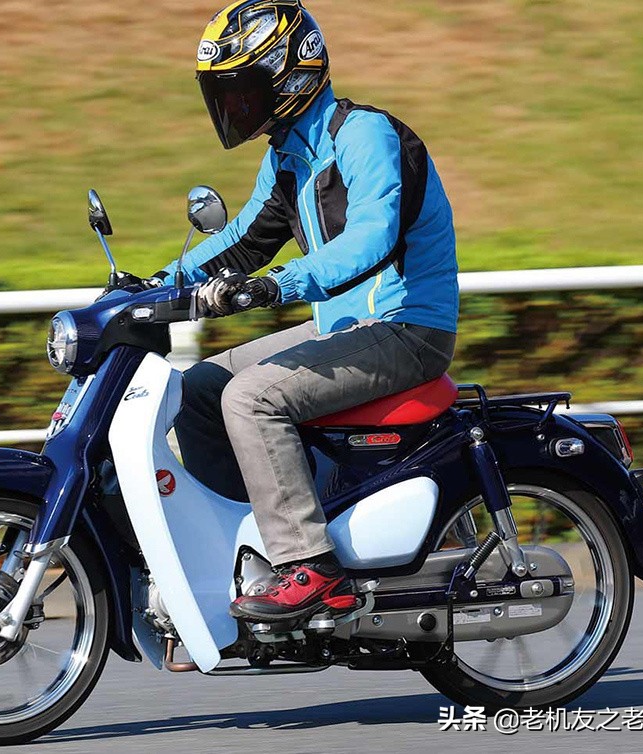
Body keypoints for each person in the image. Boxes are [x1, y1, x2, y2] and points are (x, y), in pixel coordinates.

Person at [153, 0, 459, 623]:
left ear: (289, 77)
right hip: (343, 329)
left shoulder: (365, 135)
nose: (231, 106)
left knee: (252, 398)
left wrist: (279, 285)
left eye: (241, 89)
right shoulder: (289, 156)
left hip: (406, 328)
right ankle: (246, 551)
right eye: (224, 93)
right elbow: (243, 241)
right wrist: (158, 283)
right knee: (198, 389)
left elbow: (372, 237)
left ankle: (311, 566)